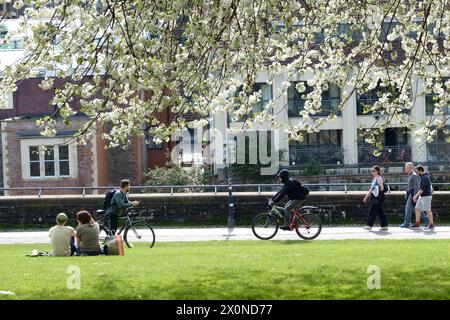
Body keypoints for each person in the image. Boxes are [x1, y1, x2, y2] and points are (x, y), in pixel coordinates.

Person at [400, 162, 429, 228]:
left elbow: (416, 186)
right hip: (410, 193)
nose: (405, 169)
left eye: (406, 167)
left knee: (408, 209)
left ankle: (406, 223)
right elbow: (410, 186)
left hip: (412, 194)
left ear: (410, 168)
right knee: (415, 209)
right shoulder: (410, 175)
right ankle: (426, 219)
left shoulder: (414, 175)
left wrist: (415, 196)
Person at [363, 166, 388, 231]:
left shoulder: (379, 178)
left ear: (378, 171)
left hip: (378, 197)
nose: (372, 172)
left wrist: (377, 191)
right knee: (380, 212)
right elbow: (371, 189)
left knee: (372, 211)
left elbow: (382, 188)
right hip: (376, 196)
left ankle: (369, 225)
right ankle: (384, 226)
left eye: (374, 171)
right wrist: (366, 196)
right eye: (372, 171)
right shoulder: (374, 179)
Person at [412, 165, 435, 231]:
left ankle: (431, 225)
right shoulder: (422, 177)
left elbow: (422, 189)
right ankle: (417, 224)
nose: (416, 173)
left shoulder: (425, 177)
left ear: (420, 171)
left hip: (426, 196)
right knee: (417, 208)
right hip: (422, 196)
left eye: (417, 171)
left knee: (427, 210)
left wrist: (415, 196)